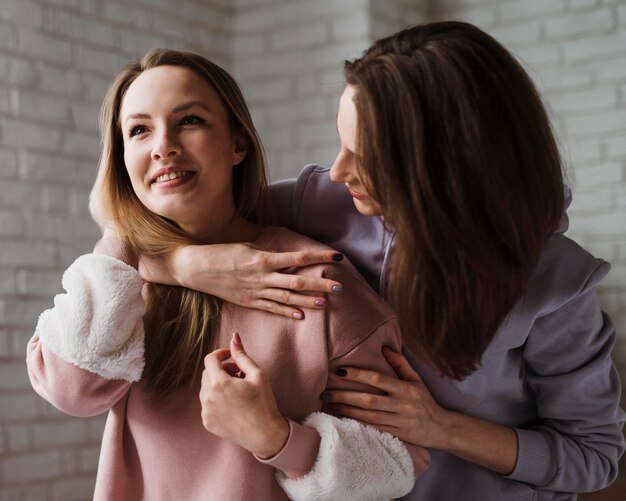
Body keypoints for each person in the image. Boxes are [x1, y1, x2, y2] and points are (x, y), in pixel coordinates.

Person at [141, 22, 626, 500]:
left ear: (445, 162)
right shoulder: (323, 201)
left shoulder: (557, 282)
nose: (338, 169)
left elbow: (594, 458)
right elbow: (147, 224)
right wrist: (184, 266)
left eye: (366, 154)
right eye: (341, 142)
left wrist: (440, 427)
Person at [26, 48, 430, 501]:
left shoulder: (313, 282)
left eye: (190, 120)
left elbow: (395, 463)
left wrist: (278, 439)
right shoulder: (118, 285)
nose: (163, 145)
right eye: (139, 130)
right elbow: (73, 390)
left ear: (237, 144)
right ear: (121, 160)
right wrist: (124, 230)